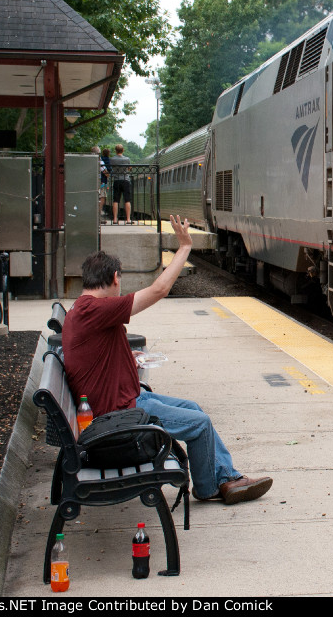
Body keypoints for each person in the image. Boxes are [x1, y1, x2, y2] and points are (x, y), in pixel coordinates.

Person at [61, 215, 273, 504]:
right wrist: (184, 247)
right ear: (114, 279)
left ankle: (226, 477)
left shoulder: (81, 309)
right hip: (120, 415)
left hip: (121, 403)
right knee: (199, 422)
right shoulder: (95, 309)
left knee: (193, 407)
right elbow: (159, 290)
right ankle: (211, 486)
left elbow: (95, 356)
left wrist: (126, 357)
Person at [108, 144, 132, 224]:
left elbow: (110, 168)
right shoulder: (127, 159)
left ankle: (115, 219)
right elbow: (129, 168)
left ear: (115, 150)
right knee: (127, 200)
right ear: (123, 150)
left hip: (117, 180)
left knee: (116, 200)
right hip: (125, 180)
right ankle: (128, 219)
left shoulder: (112, 159)